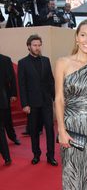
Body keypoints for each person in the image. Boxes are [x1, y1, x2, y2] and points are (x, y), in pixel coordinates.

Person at [55, 19, 87, 190]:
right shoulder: (63, 62)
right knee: (72, 172)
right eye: (83, 35)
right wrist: (61, 130)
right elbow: (59, 99)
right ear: (76, 37)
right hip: (72, 127)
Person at [18, 34, 57, 166]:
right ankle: (36, 155)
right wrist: (25, 104)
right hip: (32, 104)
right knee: (34, 131)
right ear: (29, 46)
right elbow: (21, 85)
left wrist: (55, 98)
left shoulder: (46, 60)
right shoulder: (22, 63)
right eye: (35, 45)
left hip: (46, 102)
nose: (37, 47)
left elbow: (50, 81)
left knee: (50, 130)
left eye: (39, 45)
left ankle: (50, 156)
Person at [0, 54, 20, 145]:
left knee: (7, 118)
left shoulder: (5, 59)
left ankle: (12, 136)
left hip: (4, 93)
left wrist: (13, 94)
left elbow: (12, 78)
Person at [0, 54, 14, 165]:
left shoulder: (5, 60)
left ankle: (7, 157)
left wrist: (11, 94)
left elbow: (11, 78)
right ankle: (7, 157)